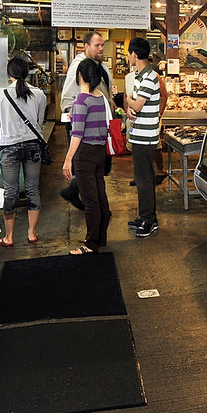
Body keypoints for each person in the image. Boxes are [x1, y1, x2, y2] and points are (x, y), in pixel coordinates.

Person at [0, 57, 47, 247]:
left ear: (9, 74)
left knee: (11, 192)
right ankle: (31, 233)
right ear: (27, 72)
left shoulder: (1, 95)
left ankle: (9, 237)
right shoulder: (39, 94)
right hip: (33, 146)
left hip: (9, 147)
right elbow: (39, 122)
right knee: (33, 189)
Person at [60, 31, 114, 211]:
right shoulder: (79, 67)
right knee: (87, 168)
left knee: (102, 168)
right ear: (86, 46)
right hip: (84, 128)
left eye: (102, 45)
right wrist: (75, 117)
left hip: (100, 126)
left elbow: (106, 93)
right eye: (97, 45)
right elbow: (67, 99)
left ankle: (84, 197)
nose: (101, 49)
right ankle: (86, 200)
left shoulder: (101, 66)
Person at [63, 59, 111, 255]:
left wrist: (68, 160)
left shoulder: (81, 100)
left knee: (90, 201)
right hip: (100, 152)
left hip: (85, 153)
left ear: (80, 76)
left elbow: (77, 134)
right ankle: (100, 237)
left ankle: (90, 244)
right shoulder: (100, 97)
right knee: (100, 196)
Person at [125, 38, 161, 238]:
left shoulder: (150, 77)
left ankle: (148, 220)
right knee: (142, 178)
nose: (128, 57)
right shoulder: (140, 76)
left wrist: (130, 102)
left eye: (129, 53)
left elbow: (136, 104)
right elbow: (134, 105)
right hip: (139, 133)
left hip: (146, 137)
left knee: (144, 180)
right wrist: (131, 106)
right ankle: (147, 216)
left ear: (135, 55)